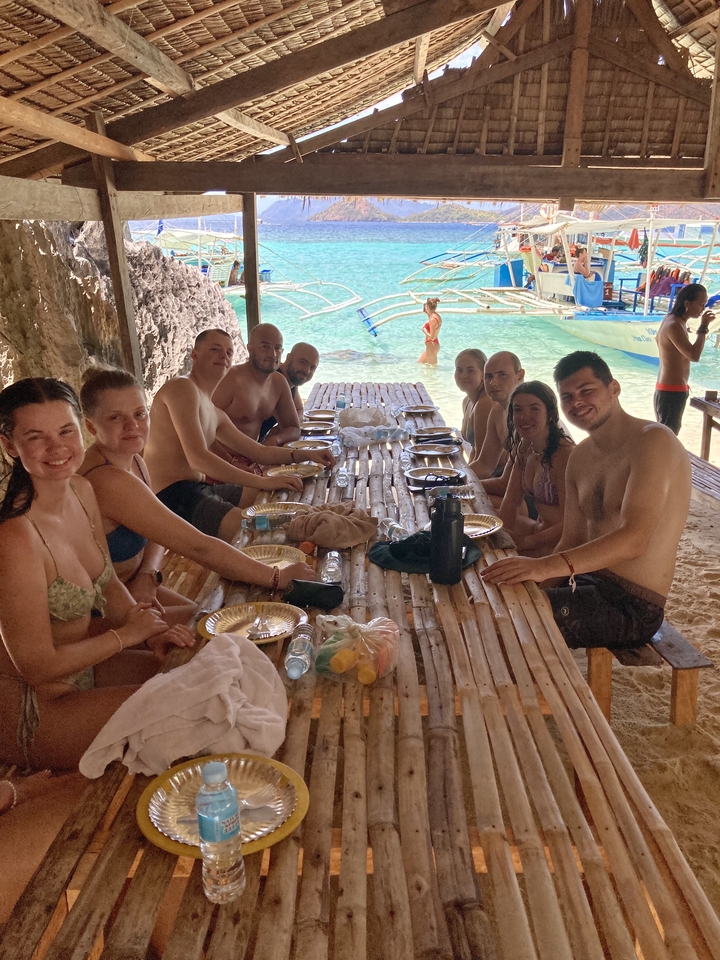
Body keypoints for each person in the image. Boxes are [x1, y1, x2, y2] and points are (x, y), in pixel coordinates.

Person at [0, 378, 194, 770]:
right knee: (191, 712)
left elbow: (107, 583)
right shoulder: (14, 538)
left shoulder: (81, 490)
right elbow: (36, 666)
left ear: (81, 429)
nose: (57, 448)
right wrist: (128, 635)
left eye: (65, 431)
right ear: (10, 446)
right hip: (36, 706)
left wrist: (151, 632)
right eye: (36, 437)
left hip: (87, 666)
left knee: (199, 669)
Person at [483, 351, 691, 652]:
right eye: (567, 396)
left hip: (632, 602)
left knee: (509, 626)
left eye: (586, 391)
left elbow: (635, 539)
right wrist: (538, 584)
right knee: (497, 601)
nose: (577, 402)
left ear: (614, 388)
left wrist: (542, 567)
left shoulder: (653, 441)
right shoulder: (581, 457)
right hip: (583, 579)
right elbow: (572, 538)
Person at [79, 367, 316, 624]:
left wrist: (148, 573)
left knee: (206, 617)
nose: (132, 426)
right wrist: (276, 577)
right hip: (100, 609)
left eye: (139, 414)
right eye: (115, 418)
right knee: (218, 625)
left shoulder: (135, 460)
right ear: (90, 426)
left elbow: (156, 533)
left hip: (136, 586)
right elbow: (198, 546)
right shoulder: (107, 479)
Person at [143, 329, 334, 543]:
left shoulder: (214, 412)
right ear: (195, 355)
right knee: (257, 530)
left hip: (198, 487)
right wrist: (264, 481)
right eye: (215, 350)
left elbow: (259, 452)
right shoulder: (182, 387)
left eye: (228, 352)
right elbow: (198, 458)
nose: (223, 356)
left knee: (274, 504)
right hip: (170, 496)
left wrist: (309, 454)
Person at [498, 382, 574, 556]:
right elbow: (512, 500)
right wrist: (502, 537)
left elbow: (572, 523)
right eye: (518, 410)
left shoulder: (565, 455)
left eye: (534, 409)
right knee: (479, 524)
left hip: (561, 545)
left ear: (550, 414)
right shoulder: (526, 446)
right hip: (536, 530)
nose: (524, 417)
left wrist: (526, 543)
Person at [211, 324, 301, 471]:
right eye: (265, 347)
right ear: (250, 349)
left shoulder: (278, 382)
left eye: (278, 348)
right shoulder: (230, 380)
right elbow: (200, 429)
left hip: (255, 459)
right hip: (220, 462)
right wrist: (230, 462)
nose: (273, 354)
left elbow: (294, 428)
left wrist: (274, 440)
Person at [655, 283, 716, 435]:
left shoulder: (672, 319)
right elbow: (694, 356)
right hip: (671, 391)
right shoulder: (674, 324)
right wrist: (703, 327)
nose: (703, 309)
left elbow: (658, 339)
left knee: (667, 435)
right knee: (669, 437)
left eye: (704, 305)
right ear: (687, 303)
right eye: (700, 304)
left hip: (669, 389)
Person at [468, 351, 525, 489]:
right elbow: (484, 464)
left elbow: (509, 485)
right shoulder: (498, 411)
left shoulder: (526, 415)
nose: (493, 382)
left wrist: (461, 486)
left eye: (502, 375)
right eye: (488, 377)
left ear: (520, 376)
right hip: (514, 486)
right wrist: (453, 476)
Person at [260, 342, 320, 444]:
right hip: (244, 447)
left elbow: (299, 409)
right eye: (302, 362)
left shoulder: (292, 381)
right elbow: (292, 427)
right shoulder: (274, 379)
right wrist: (281, 434)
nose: (306, 371)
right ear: (288, 357)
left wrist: (282, 429)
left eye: (312, 368)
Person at [454, 349, 494, 461]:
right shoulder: (467, 401)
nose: (463, 376)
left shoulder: (485, 403)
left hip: (496, 470)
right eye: (459, 370)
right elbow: (475, 449)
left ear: (483, 374)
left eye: (470, 370)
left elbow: (483, 459)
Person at [418, 298, 442, 365]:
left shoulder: (433, 319)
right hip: (432, 345)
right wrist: (426, 307)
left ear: (427, 306)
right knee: (420, 362)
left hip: (431, 345)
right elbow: (426, 312)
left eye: (426, 305)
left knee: (432, 368)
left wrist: (423, 330)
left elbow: (432, 337)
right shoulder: (434, 315)